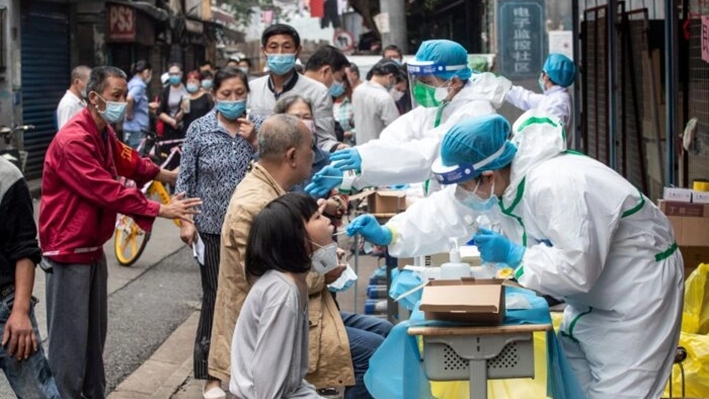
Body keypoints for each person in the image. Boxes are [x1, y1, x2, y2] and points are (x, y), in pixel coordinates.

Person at [348, 111, 684, 398]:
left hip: (637, 292)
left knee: (622, 391)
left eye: (466, 185)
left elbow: (575, 268)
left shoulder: (556, 184)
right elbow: (451, 210)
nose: (462, 194)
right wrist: (393, 232)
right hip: (592, 299)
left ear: (489, 176)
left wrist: (516, 255)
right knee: (577, 387)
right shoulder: (502, 181)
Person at [39, 66, 201, 399]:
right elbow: (105, 189)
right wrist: (159, 208)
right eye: (116, 96)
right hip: (69, 249)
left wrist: (164, 174)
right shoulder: (74, 139)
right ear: (94, 98)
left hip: (91, 247)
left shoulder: (103, 133)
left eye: (125, 95)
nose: (123, 102)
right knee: (70, 345)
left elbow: (129, 161)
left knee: (93, 340)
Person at [209, 115, 390, 399]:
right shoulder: (255, 204)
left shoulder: (275, 189)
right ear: (292, 155)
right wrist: (323, 268)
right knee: (372, 352)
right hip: (270, 326)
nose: (314, 155)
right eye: (311, 147)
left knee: (385, 331)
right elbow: (271, 388)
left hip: (308, 310)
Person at [306, 39, 511, 197]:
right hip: (442, 202)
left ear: (454, 81)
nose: (421, 87)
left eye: (426, 80)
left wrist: (365, 160)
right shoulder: (438, 106)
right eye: (418, 81)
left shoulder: (475, 111)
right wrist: (349, 174)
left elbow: (426, 155)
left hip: (473, 203)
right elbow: (395, 138)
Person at [176, 66, 261, 399]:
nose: (233, 100)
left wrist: (254, 141)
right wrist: (185, 220)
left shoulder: (258, 128)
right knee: (214, 298)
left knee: (253, 299)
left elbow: (274, 168)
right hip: (211, 230)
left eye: (239, 93)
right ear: (214, 96)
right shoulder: (200, 129)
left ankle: (247, 371)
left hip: (254, 230)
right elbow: (185, 179)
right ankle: (211, 375)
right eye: (226, 94)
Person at [230, 193, 337, 399]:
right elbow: (268, 391)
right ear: (297, 237)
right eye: (316, 217)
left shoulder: (294, 283)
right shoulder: (282, 293)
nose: (326, 220)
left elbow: (291, 380)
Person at [0, 157, 61, 399]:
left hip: (6, 311)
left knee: (39, 394)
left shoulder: (7, 177)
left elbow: (24, 248)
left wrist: (20, 311)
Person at [247, 24, 341, 152]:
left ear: (298, 51)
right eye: (273, 47)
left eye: (286, 47)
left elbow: (324, 140)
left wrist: (338, 148)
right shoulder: (252, 89)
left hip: (304, 168)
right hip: (261, 167)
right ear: (264, 51)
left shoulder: (317, 92)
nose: (280, 53)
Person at [274, 95, 346, 223]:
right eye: (295, 118)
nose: (302, 122)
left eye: (307, 117)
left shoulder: (328, 160)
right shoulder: (269, 161)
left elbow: (342, 201)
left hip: (321, 238)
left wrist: (330, 204)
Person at [504, 53, 576, 128]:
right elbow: (526, 98)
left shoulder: (557, 103)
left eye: (543, 72)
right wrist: (502, 87)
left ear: (546, 77)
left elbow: (548, 134)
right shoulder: (555, 98)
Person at [352, 59, 402, 145]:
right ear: (390, 77)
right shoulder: (384, 98)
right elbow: (396, 130)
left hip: (360, 149)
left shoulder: (357, 91)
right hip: (379, 151)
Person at [124, 60, 153, 148]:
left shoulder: (131, 82)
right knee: (136, 157)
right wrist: (129, 114)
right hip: (137, 128)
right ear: (146, 72)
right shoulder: (139, 85)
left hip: (129, 127)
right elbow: (129, 99)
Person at [158, 62, 189, 141]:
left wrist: (182, 111)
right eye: (171, 74)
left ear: (181, 74)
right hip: (169, 129)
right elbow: (159, 112)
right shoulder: (165, 91)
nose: (174, 76)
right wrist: (171, 121)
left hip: (185, 127)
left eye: (176, 74)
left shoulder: (187, 89)